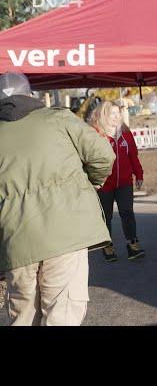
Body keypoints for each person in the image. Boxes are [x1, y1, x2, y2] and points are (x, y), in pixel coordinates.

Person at [0, 72, 115, 326]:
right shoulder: (59, 119)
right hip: (67, 232)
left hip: (16, 241)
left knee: (23, 319)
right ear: (30, 94)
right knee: (62, 314)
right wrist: (91, 183)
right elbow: (103, 156)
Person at [90, 101, 146, 261]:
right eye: (113, 113)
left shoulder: (126, 133)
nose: (117, 116)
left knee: (127, 212)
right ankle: (107, 246)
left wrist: (139, 174)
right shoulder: (95, 134)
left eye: (118, 113)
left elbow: (133, 156)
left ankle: (132, 245)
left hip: (124, 183)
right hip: (104, 184)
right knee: (106, 216)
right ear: (104, 115)